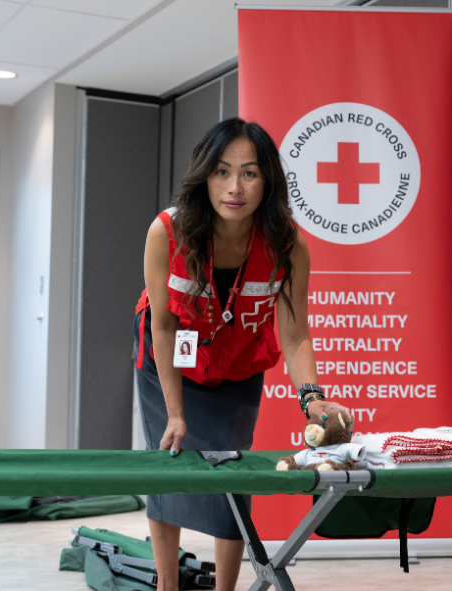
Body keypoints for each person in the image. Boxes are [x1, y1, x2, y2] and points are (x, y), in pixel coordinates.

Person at [133, 118, 348, 591]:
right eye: (222, 171)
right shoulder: (167, 231)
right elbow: (164, 324)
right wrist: (175, 411)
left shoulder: (287, 244)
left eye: (249, 173)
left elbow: (294, 335)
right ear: (204, 175)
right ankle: (166, 586)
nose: (234, 187)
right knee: (168, 462)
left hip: (240, 359)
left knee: (231, 471)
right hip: (168, 356)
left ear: (267, 180)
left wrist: (312, 399)